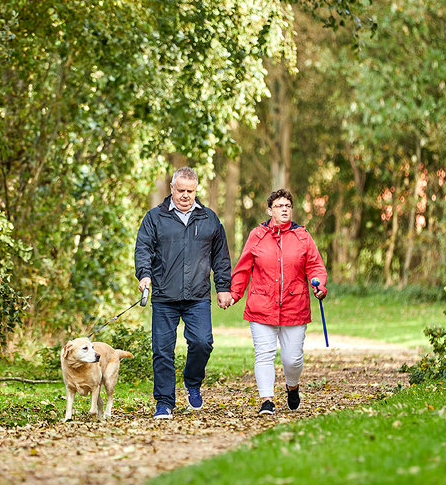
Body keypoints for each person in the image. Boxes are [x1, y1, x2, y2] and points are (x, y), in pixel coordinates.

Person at [134, 166, 234, 420]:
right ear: (171, 189)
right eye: (181, 190)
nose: (186, 196)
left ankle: (192, 382)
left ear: (196, 190)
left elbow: (221, 257)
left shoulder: (209, 218)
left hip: (198, 296)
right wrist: (144, 274)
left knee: (202, 343)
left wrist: (223, 288)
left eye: (190, 191)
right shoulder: (155, 218)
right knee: (162, 350)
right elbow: (143, 248)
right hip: (165, 297)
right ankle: (165, 403)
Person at [229, 188, 327, 415]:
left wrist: (319, 286)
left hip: (295, 306)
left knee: (292, 359)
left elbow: (315, 266)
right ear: (269, 210)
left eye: (287, 206)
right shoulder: (257, 235)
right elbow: (244, 267)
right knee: (264, 354)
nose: (284, 209)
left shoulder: (303, 236)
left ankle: (293, 387)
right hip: (261, 306)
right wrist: (235, 294)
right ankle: (267, 400)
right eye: (279, 206)